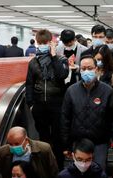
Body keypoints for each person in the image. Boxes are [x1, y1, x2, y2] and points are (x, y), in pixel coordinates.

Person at [61, 55, 113, 170]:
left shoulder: (107, 91)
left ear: (97, 70)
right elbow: (65, 119)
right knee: (78, 173)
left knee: (98, 172)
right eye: (83, 69)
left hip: (100, 143)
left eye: (90, 68)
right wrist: (66, 145)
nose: (86, 71)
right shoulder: (71, 91)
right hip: (78, 143)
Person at [26, 29, 69, 169]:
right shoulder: (33, 62)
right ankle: (46, 167)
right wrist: (31, 104)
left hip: (57, 104)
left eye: (46, 42)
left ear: (51, 42)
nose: (43, 45)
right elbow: (29, 84)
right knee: (43, 138)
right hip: (39, 106)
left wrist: (54, 56)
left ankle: (59, 167)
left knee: (58, 138)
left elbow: (62, 75)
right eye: (40, 43)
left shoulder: (61, 59)